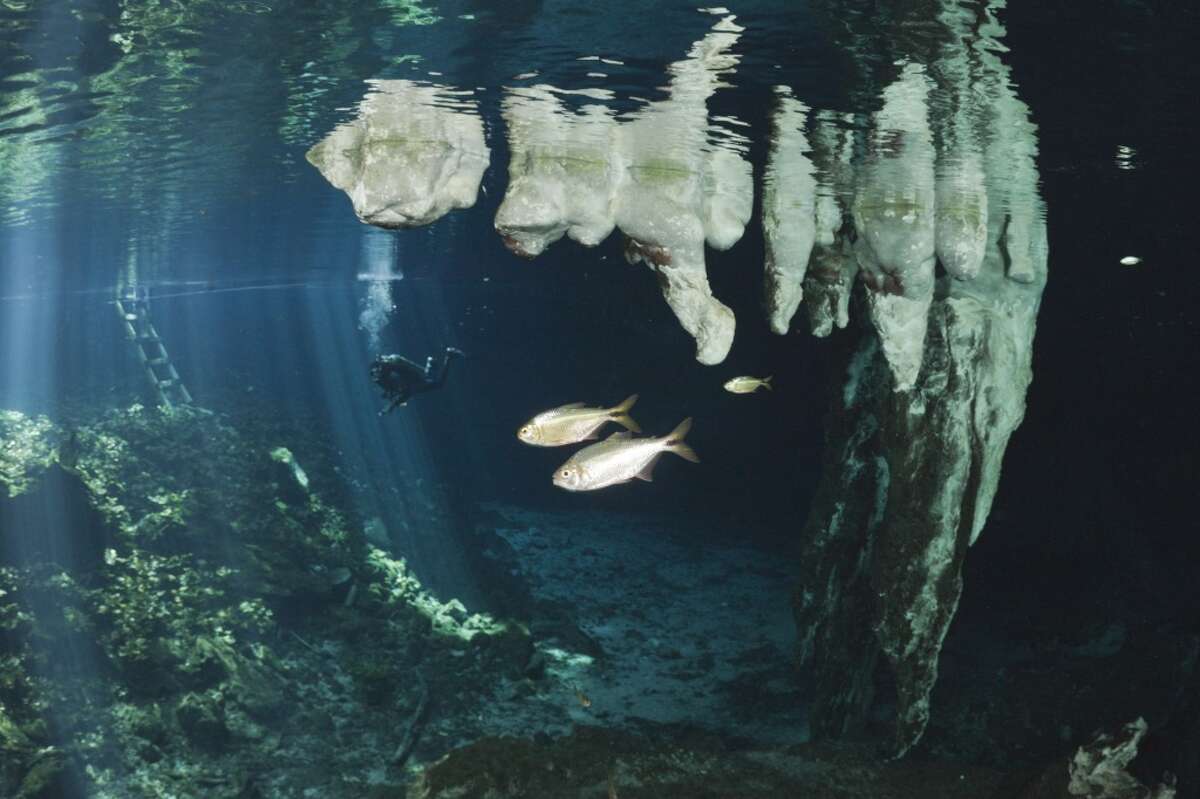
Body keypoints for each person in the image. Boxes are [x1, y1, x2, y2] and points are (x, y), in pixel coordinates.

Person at [371, 346, 464, 415]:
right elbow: (404, 395)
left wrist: (391, 407)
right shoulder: (389, 383)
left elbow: (404, 392)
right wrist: (391, 406)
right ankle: (442, 359)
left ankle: (447, 356)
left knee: (436, 382)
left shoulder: (390, 382)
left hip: (412, 382)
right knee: (433, 380)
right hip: (411, 382)